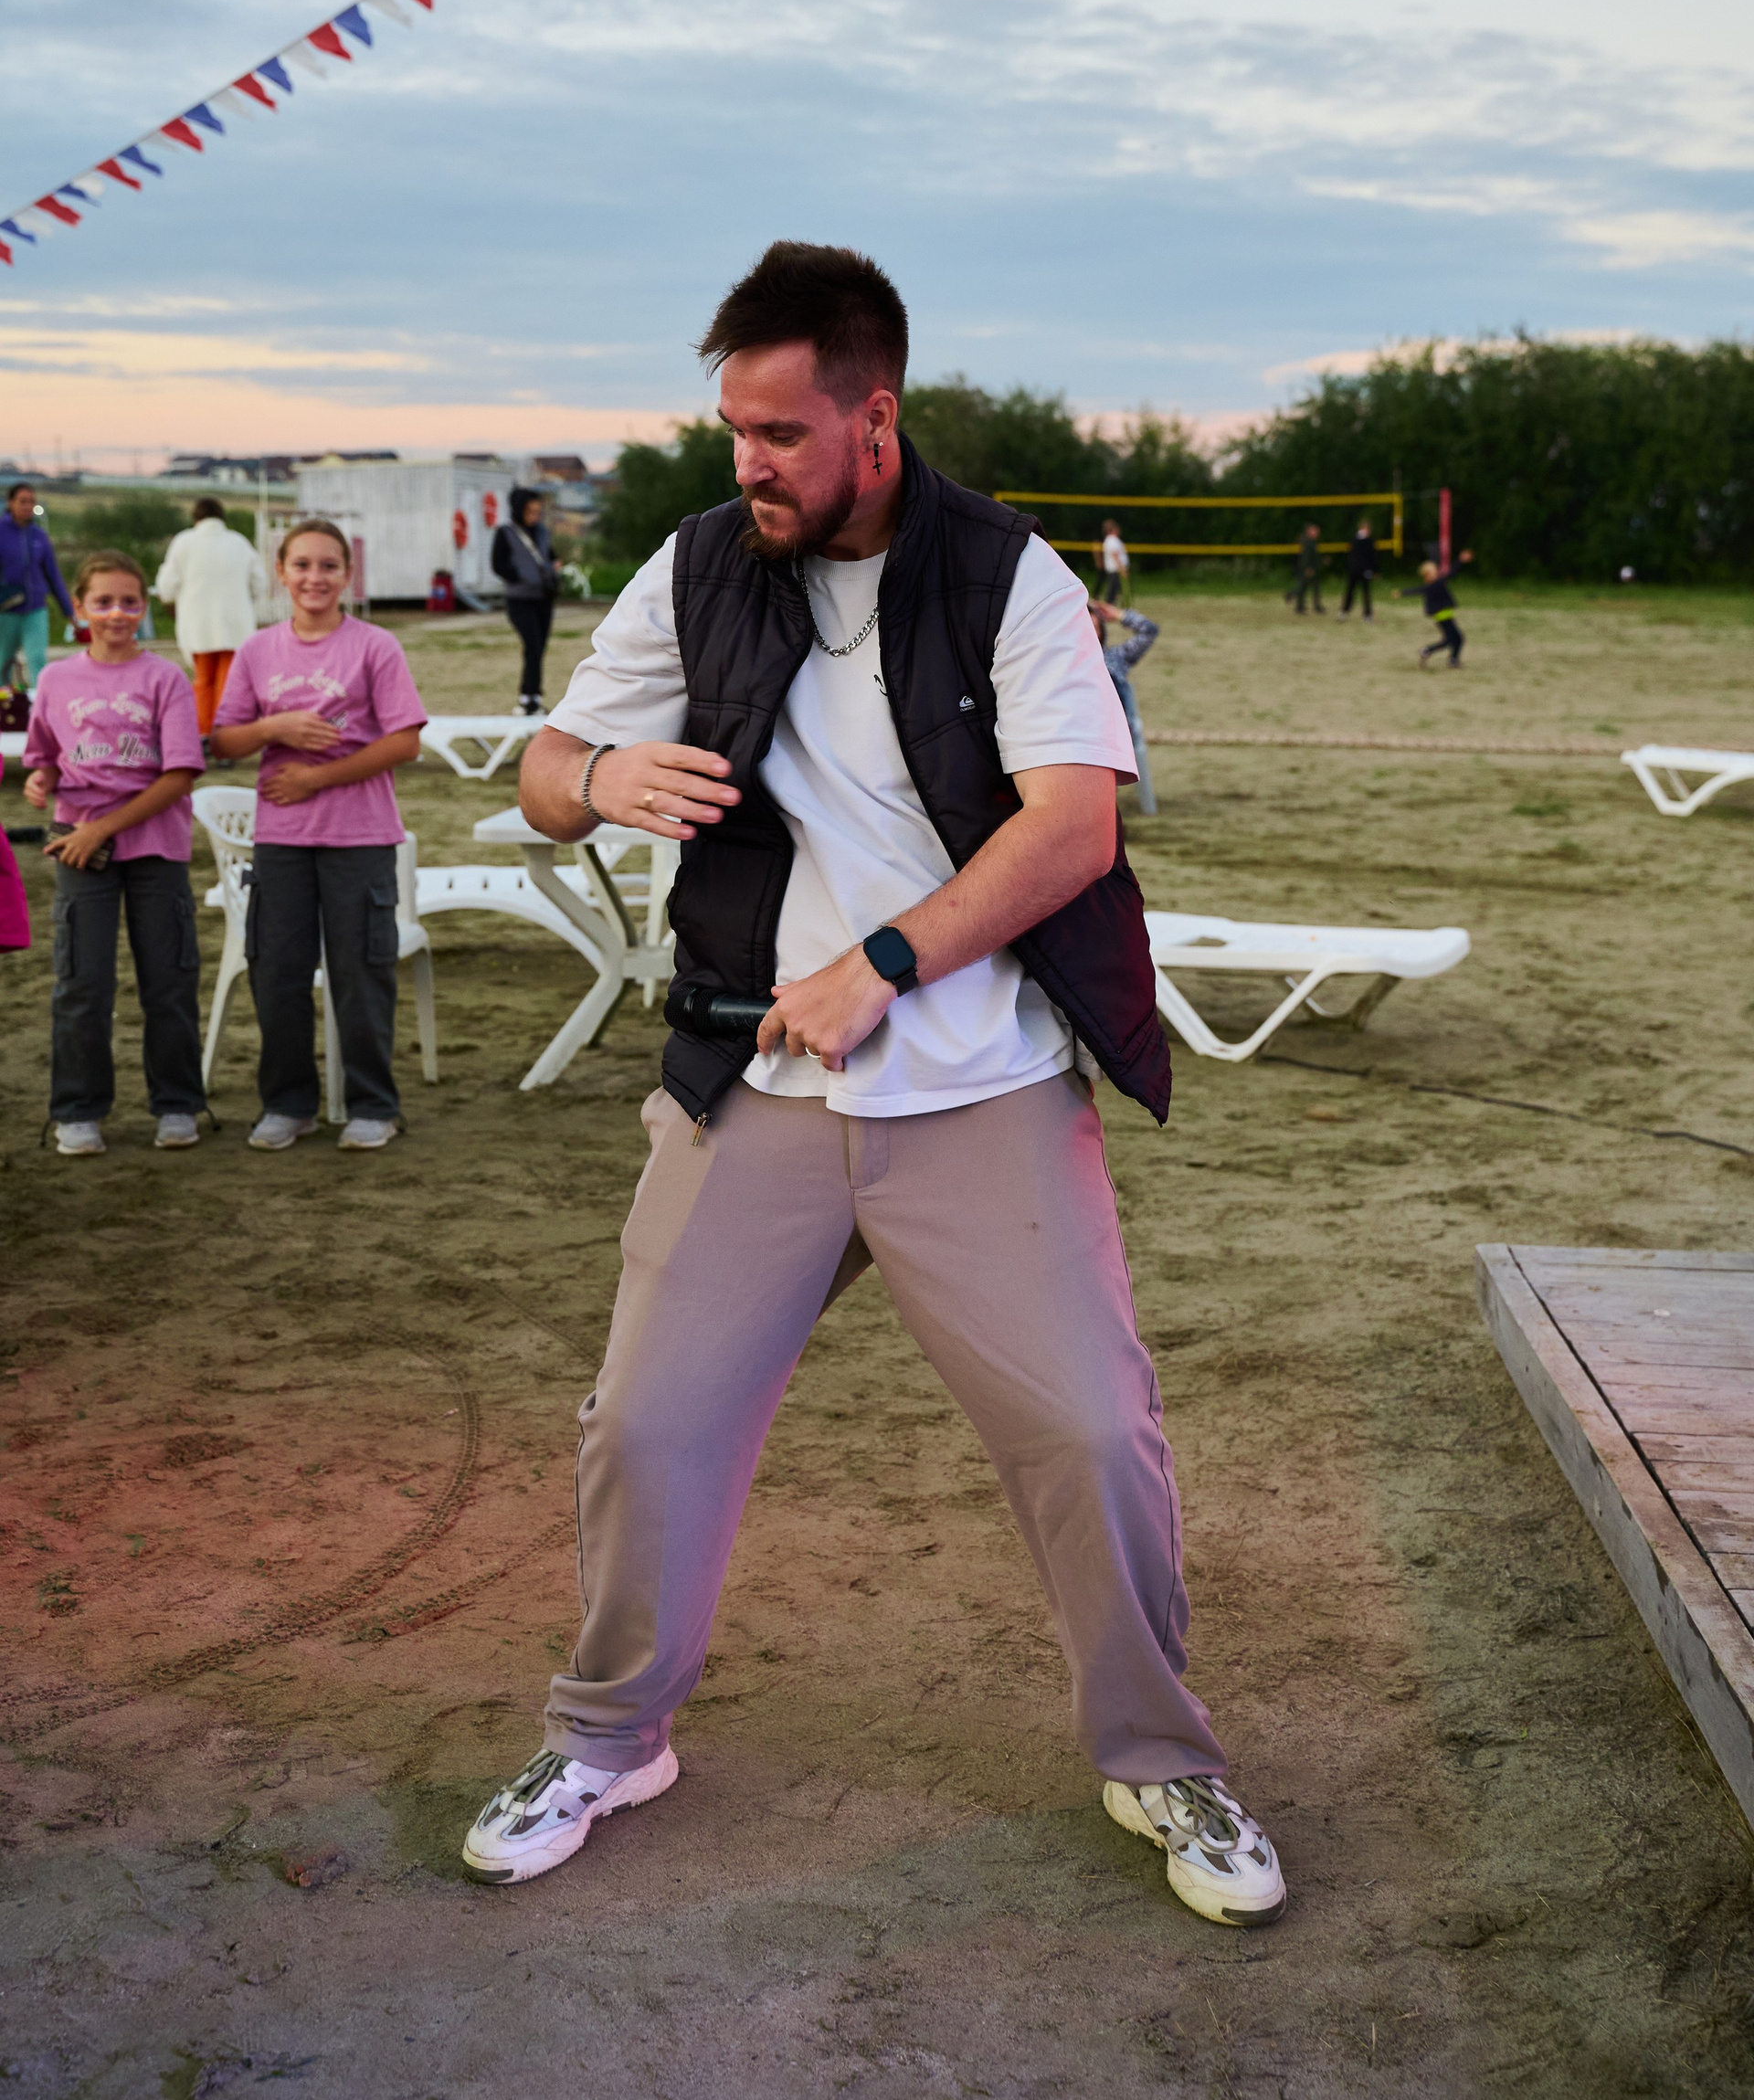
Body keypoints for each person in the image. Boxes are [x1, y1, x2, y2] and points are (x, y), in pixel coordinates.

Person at [460, 241, 1284, 1930]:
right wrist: (601, 772)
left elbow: (1074, 826)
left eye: (781, 432)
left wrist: (883, 964)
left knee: (1090, 1428)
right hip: (755, 1079)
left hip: (978, 1079)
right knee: (646, 1425)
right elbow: (539, 768)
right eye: (734, 428)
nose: (748, 462)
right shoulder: (699, 564)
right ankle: (610, 1738)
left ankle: (1159, 1756)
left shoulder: (1007, 575)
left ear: (876, 420)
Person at [211, 519, 427, 1153]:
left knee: (361, 974)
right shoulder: (257, 651)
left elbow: (405, 742)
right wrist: (274, 728)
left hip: (360, 837)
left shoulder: (375, 646)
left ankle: (372, 1105)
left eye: (329, 566)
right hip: (281, 839)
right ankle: (288, 1104)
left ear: (347, 575)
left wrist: (317, 778)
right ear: (280, 572)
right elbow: (224, 741)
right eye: (302, 565)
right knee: (277, 972)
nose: (315, 578)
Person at [21, 548, 206, 1155]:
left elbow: (180, 775)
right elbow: (47, 756)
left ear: (144, 607)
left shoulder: (166, 679)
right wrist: (41, 779)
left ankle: (176, 1104)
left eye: (129, 601)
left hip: (155, 848)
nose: (117, 613)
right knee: (83, 984)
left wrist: (102, 828)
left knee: (168, 982)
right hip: (80, 851)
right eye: (103, 602)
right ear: (79, 608)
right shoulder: (56, 679)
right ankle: (78, 1111)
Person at [154, 495, 270, 735]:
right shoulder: (239, 542)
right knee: (229, 682)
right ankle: (226, 733)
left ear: (195, 517)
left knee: (203, 680)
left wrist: (173, 600)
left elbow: (166, 586)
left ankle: (204, 732)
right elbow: (260, 582)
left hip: (198, 624)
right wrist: (244, 599)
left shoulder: (184, 542)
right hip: (235, 624)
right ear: (222, 517)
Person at [1, 481, 74, 699]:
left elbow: (53, 575)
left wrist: (68, 610)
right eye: (22, 501)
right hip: (6, 609)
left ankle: (40, 704)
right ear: (10, 503)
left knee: (36, 658)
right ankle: (5, 707)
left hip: (35, 608)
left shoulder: (39, 536)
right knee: (3, 661)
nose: (28, 506)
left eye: (31, 502)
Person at [491, 488, 560, 714]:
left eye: (538, 511)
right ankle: (526, 698)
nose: (535, 516)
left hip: (544, 598)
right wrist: (521, 575)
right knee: (532, 645)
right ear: (519, 510)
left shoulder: (541, 532)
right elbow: (498, 564)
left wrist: (555, 565)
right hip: (520, 599)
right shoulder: (506, 533)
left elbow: (548, 554)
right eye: (530, 511)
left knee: (539, 648)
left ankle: (535, 697)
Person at [1091, 598, 1159, 817]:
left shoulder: (1114, 658)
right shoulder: (1062, 661)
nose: (1091, 631)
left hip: (1112, 732)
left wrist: (1120, 615)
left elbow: (1149, 631)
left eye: (1095, 626)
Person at [1405, 558, 1464, 668]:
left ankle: (1452, 660)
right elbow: (1451, 573)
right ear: (1427, 575)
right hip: (1443, 617)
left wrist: (1401, 593)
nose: (1436, 572)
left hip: (1445, 615)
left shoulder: (1432, 585)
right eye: (1433, 571)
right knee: (1452, 640)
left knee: (1456, 639)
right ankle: (1428, 651)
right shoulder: (1436, 584)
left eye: (1436, 570)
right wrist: (1460, 561)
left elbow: (1414, 590)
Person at [1339, 518, 1377, 621]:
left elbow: (1373, 557)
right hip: (1354, 571)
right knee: (1350, 592)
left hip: (1365, 571)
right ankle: (1344, 612)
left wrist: (1375, 570)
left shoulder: (1369, 541)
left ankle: (1367, 614)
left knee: (1366, 593)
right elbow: (1351, 557)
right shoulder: (1355, 540)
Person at [1285, 522, 1324, 614]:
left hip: (1312, 568)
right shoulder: (1307, 542)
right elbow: (1305, 556)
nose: (1317, 532)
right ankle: (1299, 604)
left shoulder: (1313, 542)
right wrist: (1308, 568)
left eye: (1317, 531)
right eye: (1314, 531)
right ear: (1309, 531)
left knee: (1309, 587)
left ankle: (1302, 604)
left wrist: (1322, 561)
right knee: (1304, 587)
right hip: (1307, 568)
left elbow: (1314, 556)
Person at [1095, 516, 1129, 603]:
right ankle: (1109, 603)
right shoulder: (1112, 540)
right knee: (1114, 589)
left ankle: (1112, 603)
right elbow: (1115, 555)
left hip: (1114, 569)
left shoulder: (1110, 540)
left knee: (1114, 588)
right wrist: (1121, 568)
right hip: (1115, 569)